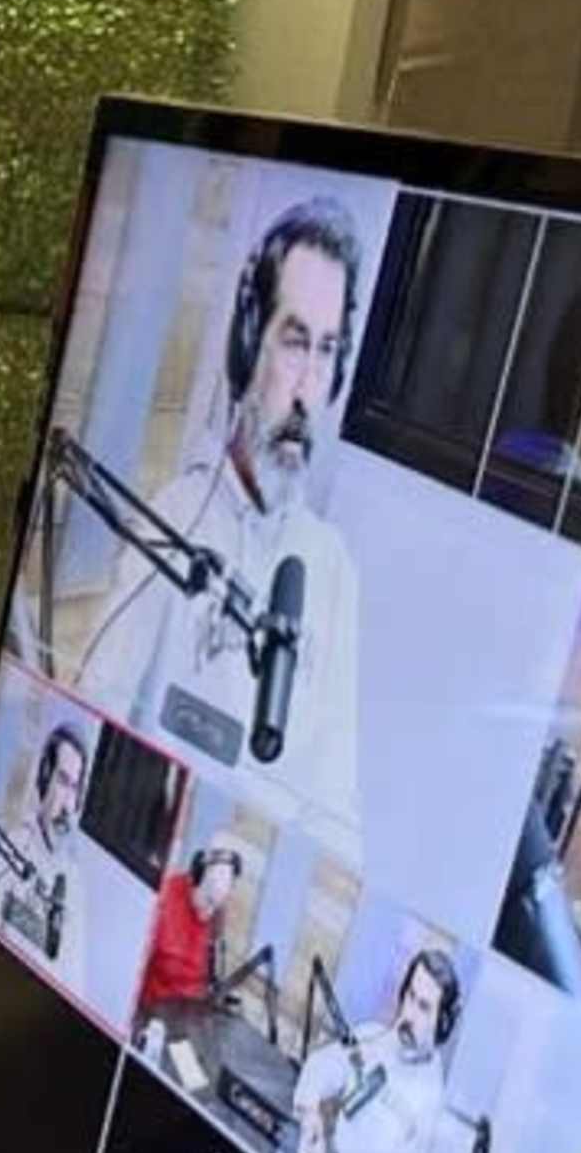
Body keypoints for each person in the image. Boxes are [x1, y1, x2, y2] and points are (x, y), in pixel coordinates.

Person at [73, 198, 367, 836]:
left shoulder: (333, 568)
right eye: (294, 343)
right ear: (246, 345)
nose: (305, 388)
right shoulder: (175, 520)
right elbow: (95, 708)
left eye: (326, 352)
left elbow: (336, 804)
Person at [292, 944, 458, 1153]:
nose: (409, 1014)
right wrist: (309, 1109)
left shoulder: (433, 1112)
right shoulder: (373, 1038)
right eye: (409, 997)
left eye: (424, 1007)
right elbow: (321, 1067)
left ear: (443, 1024)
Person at [0, 716, 85, 967]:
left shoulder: (73, 880)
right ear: (44, 777)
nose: (67, 805)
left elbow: (72, 969)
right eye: (62, 781)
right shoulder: (17, 847)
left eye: (74, 787)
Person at [136, 843, 244, 1019]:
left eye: (215, 906)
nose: (208, 913)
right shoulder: (163, 901)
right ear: (197, 876)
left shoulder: (217, 913)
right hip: (152, 1014)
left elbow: (208, 975)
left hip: (190, 1017)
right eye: (208, 901)